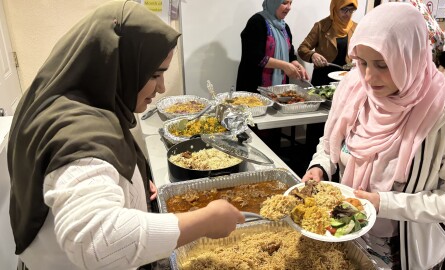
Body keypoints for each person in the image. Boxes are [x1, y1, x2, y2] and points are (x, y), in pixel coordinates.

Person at [7, 1, 244, 269]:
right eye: (155, 74)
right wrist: (206, 220)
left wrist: (133, 187)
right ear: (118, 65)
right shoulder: (79, 131)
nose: (162, 87)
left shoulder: (69, 101)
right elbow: (98, 243)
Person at [301, 3, 445, 269]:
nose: (369, 77)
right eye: (361, 62)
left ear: (411, 57)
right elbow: (331, 144)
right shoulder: (353, 89)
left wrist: (383, 203)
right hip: (344, 231)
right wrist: (320, 167)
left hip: (407, 249)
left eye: (383, 65)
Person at [235, 0, 308, 151]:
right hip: (255, 89)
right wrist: (284, 65)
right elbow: (253, 57)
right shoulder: (257, 22)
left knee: (274, 132)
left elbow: (289, 52)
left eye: (290, 3)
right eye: (284, 2)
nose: (288, 7)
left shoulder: (283, 26)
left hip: (276, 91)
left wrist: (295, 63)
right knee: (255, 136)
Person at [297, 0, 358, 86]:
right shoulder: (321, 26)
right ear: (335, 8)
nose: (347, 13)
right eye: (343, 9)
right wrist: (312, 55)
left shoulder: (356, 28)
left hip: (346, 79)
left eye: (351, 10)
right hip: (322, 78)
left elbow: (363, 52)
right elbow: (302, 49)